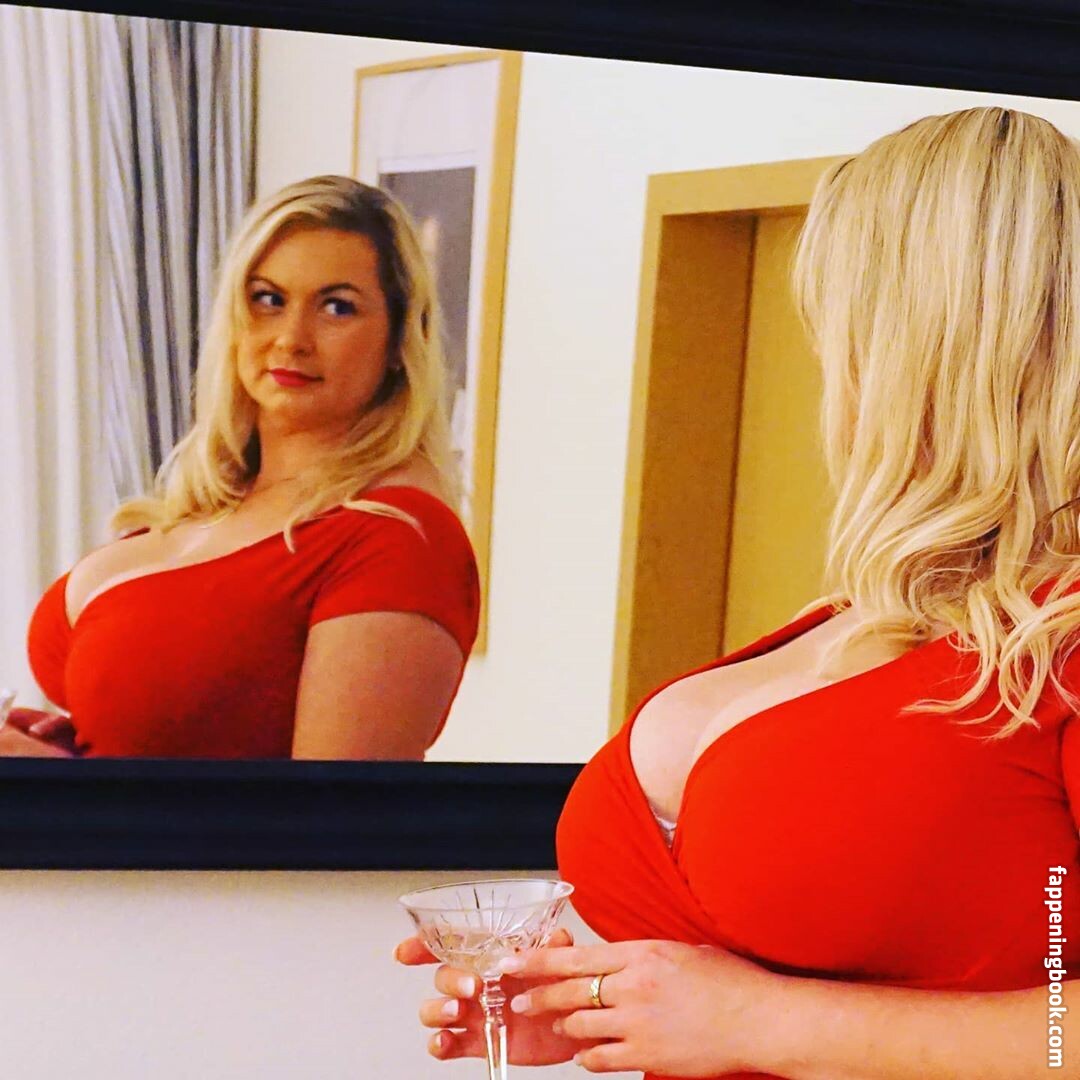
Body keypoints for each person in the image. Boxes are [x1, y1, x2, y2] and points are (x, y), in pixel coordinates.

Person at [397, 107, 1080, 1077]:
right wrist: (594, 1005)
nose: (829, 369)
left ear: (911, 342)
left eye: (835, 323)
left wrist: (761, 1021)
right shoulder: (857, 618)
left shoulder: (1060, 636)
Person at [2, 175, 479, 760]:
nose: (291, 339)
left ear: (400, 342)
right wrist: (72, 751)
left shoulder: (398, 539)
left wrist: (61, 784)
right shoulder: (210, 502)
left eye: (337, 307)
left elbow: (334, 814)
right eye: (268, 299)